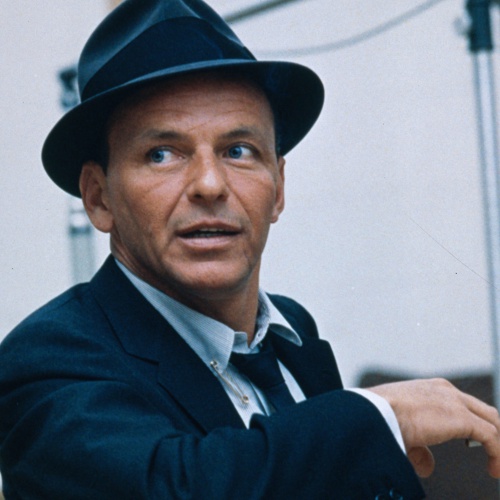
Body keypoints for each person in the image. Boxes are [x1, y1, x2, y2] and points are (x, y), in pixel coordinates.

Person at [0, 1, 499, 498]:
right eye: (162, 154)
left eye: (238, 151)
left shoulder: (293, 331)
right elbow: (175, 488)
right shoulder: (47, 359)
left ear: (278, 188)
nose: (210, 185)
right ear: (98, 197)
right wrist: (378, 416)